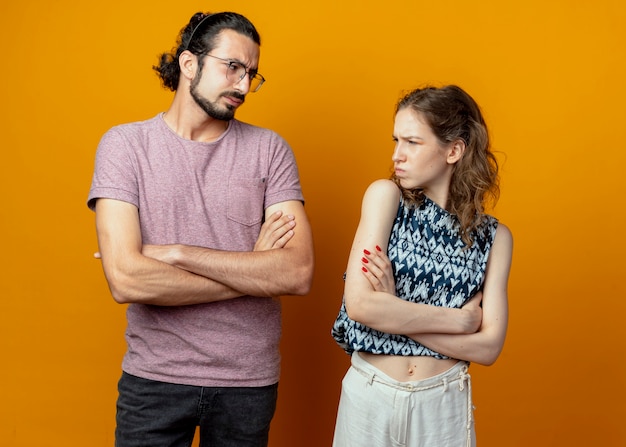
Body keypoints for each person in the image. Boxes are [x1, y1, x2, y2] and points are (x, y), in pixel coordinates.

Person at [87, 11, 314, 447]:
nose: (244, 87)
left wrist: (175, 253)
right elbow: (126, 278)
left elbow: (297, 273)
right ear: (189, 64)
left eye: (252, 74)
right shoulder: (125, 146)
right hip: (154, 380)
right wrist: (253, 272)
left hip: (247, 383)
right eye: (233, 67)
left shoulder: (270, 151)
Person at [331, 85, 513, 447]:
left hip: (443, 404)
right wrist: (460, 322)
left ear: (453, 150)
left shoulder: (495, 238)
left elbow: (489, 348)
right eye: (396, 140)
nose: (397, 155)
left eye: (412, 142)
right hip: (370, 393)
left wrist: (395, 311)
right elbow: (361, 306)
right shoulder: (386, 197)